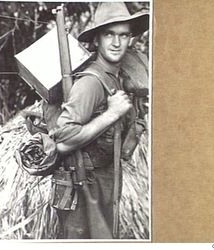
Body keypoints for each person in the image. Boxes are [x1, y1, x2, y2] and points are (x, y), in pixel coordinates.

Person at [49, 2, 149, 239]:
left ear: (130, 40)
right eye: (109, 34)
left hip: (104, 184)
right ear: (96, 40)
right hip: (83, 190)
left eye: (123, 35)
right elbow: (63, 141)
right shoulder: (91, 83)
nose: (116, 43)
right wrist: (111, 115)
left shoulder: (117, 77)